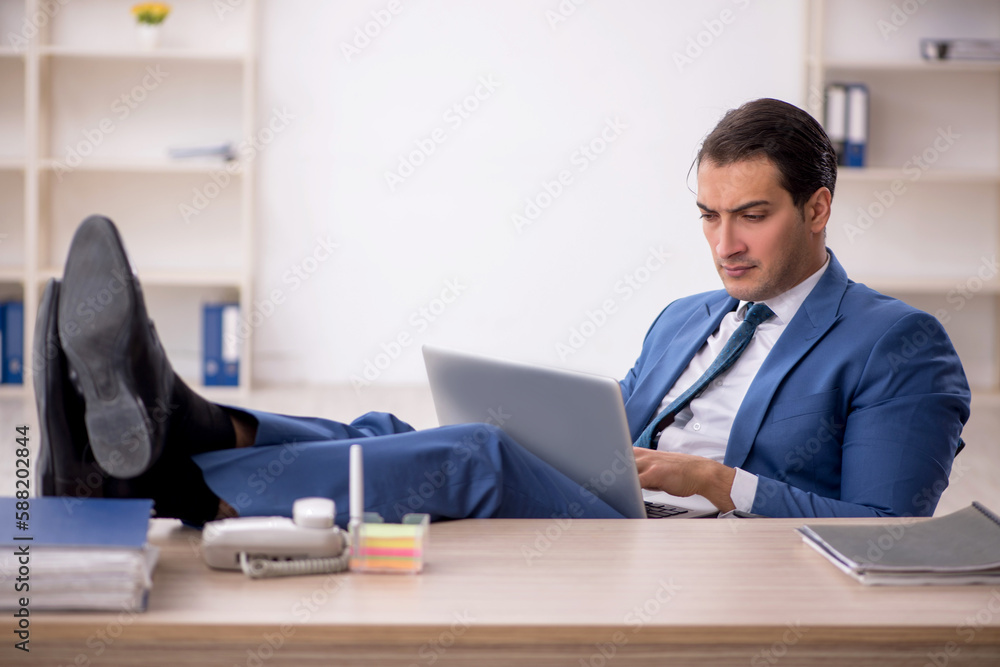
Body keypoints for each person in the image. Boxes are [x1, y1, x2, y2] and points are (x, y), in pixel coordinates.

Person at [35, 98, 970, 525]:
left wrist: (712, 479)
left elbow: (888, 524)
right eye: (709, 215)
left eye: (753, 216)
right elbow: (627, 419)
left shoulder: (898, 343)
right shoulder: (689, 313)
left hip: (676, 534)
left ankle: (178, 479)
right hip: (616, 494)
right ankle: (180, 428)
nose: (725, 242)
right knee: (402, 429)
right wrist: (559, 416)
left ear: (817, 207)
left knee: (472, 455)